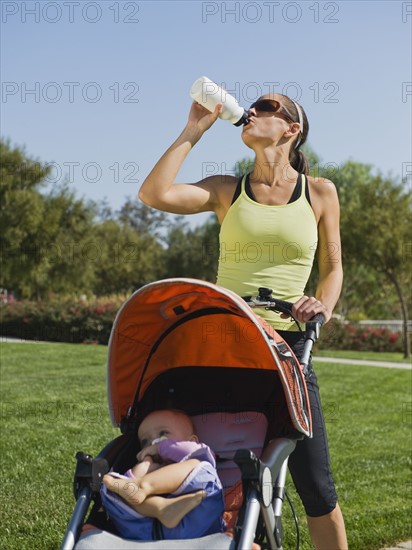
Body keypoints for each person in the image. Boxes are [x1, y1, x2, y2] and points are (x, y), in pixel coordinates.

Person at [137, 92, 348, 549]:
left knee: (315, 484)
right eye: (252, 105)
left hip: (288, 349)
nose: (252, 110)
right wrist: (194, 129)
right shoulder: (226, 190)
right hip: (223, 341)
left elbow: (333, 269)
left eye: (267, 106)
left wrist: (321, 307)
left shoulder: (320, 192)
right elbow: (153, 193)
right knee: (205, 462)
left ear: (292, 128)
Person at [101, 409, 225, 541]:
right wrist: (146, 463)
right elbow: (128, 483)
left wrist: (161, 447)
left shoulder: (197, 452)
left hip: (197, 518)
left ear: (192, 440)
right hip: (147, 530)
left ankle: (144, 487)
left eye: (163, 434)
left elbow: (190, 451)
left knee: (203, 467)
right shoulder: (151, 467)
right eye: (145, 442)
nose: (154, 441)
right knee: (111, 487)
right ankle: (159, 507)